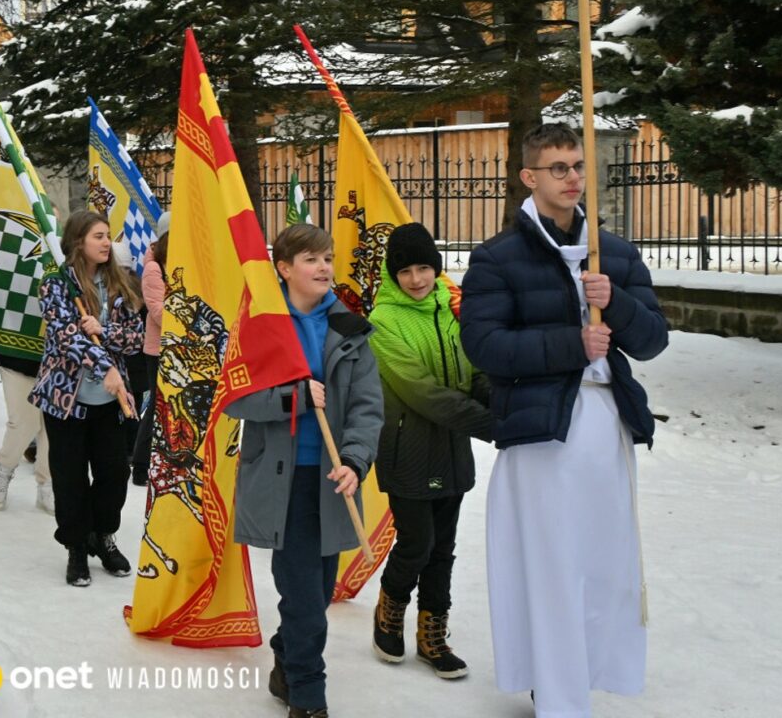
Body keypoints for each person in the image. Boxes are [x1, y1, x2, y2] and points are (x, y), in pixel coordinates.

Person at [459, 123, 669, 718]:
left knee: (604, 563)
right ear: (529, 176)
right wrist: (573, 344)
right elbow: (486, 346)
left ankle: (593, 669)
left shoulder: (615, 252)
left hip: (606, 429)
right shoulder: (498, 257)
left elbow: (652, 340)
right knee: (551, 565)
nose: (573, 177)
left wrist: (618, 300)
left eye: (578, 166)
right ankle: (554, 689)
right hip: (541, 430)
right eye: (559, 167)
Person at [225, 223, 383, 718]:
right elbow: (235, 397)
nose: (324, 269)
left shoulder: (350, 328)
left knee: (314, 591)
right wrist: (289, 399)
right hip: (282, 481)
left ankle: (285, 658)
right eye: (312, 260)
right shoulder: (262, 324)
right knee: (304, 597)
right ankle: (309, 696)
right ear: (284, 268)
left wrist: (355, 461)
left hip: (332, 479)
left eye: (328, 258)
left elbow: (366, 406)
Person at [368, 222, 492, 678]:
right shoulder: (382, 322)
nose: (417, 279)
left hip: (452, 449)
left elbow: (474, 369)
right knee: (416, 544)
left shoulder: (450, 309)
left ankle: (432, 635)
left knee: (444, 548)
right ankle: (390, 609)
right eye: (406, 270)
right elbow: (424, 393)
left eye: (425, 268)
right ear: (392, 274)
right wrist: (494, 424)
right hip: (407, 449)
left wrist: (502, 399)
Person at [29, 210, 144, 587]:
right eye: (98, 236)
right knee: (70, 478)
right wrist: (105, 368)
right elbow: (66, 338)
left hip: (109, 404)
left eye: (108, 235)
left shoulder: (119, 284)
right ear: (78, 241)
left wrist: (105, 330)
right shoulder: (56, 285)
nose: (106, 242)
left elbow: (135, 339)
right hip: (66, 400)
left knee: (114, 473)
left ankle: (102, 534)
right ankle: (76, 546)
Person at [0, 348, 52, 513]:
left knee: (51, 426)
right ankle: (4, 469)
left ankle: (48, 483)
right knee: (24, 422)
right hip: (15, 355)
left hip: (58, 360)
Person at [130, 218, 169, 485]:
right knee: (157, 405)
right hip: (158, 350)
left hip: (183, 347)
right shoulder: (154, 267)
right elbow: (157, 311)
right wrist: (191, 317)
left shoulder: (182, 263)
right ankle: (141, 465)